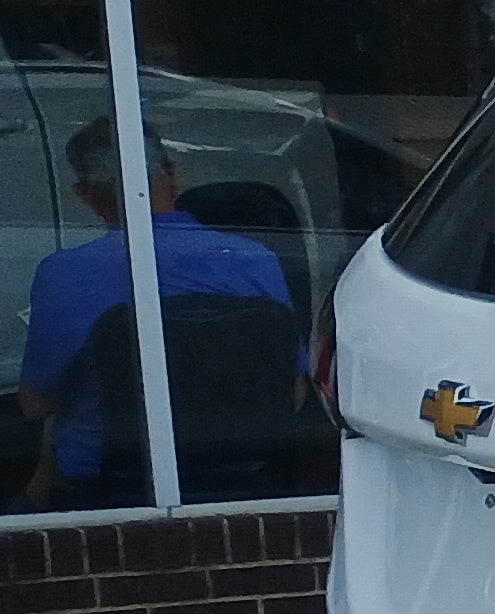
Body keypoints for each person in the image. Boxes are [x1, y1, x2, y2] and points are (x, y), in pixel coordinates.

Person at [17, 116, 293, 510]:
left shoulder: (63, 274)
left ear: (84, 194)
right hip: (242, 482)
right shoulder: (256, 260)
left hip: (103, 494)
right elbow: (294, 394)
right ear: (173, 174)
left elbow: (34, 404)